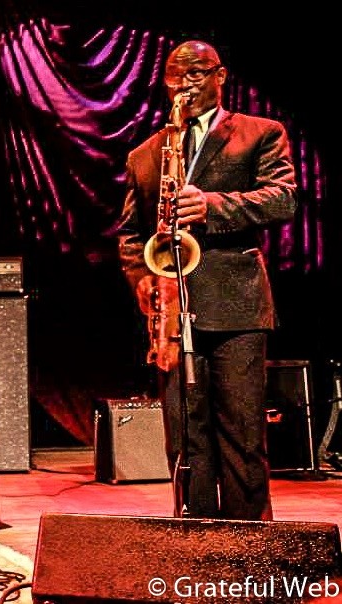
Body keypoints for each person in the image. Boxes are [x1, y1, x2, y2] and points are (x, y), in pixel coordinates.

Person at [115, 40, 297, 520]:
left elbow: (283, 198)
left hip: (237, 305)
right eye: (176, 76)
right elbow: (131, 235)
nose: (186, 84)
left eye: (197, 73)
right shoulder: (145, 154)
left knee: (242, 434)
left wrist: (211, 206)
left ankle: (248, 542)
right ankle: (194, 535)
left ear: (221, 76)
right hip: (173, 313)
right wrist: (143, 279)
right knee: (186, 437)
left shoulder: (260, 132)